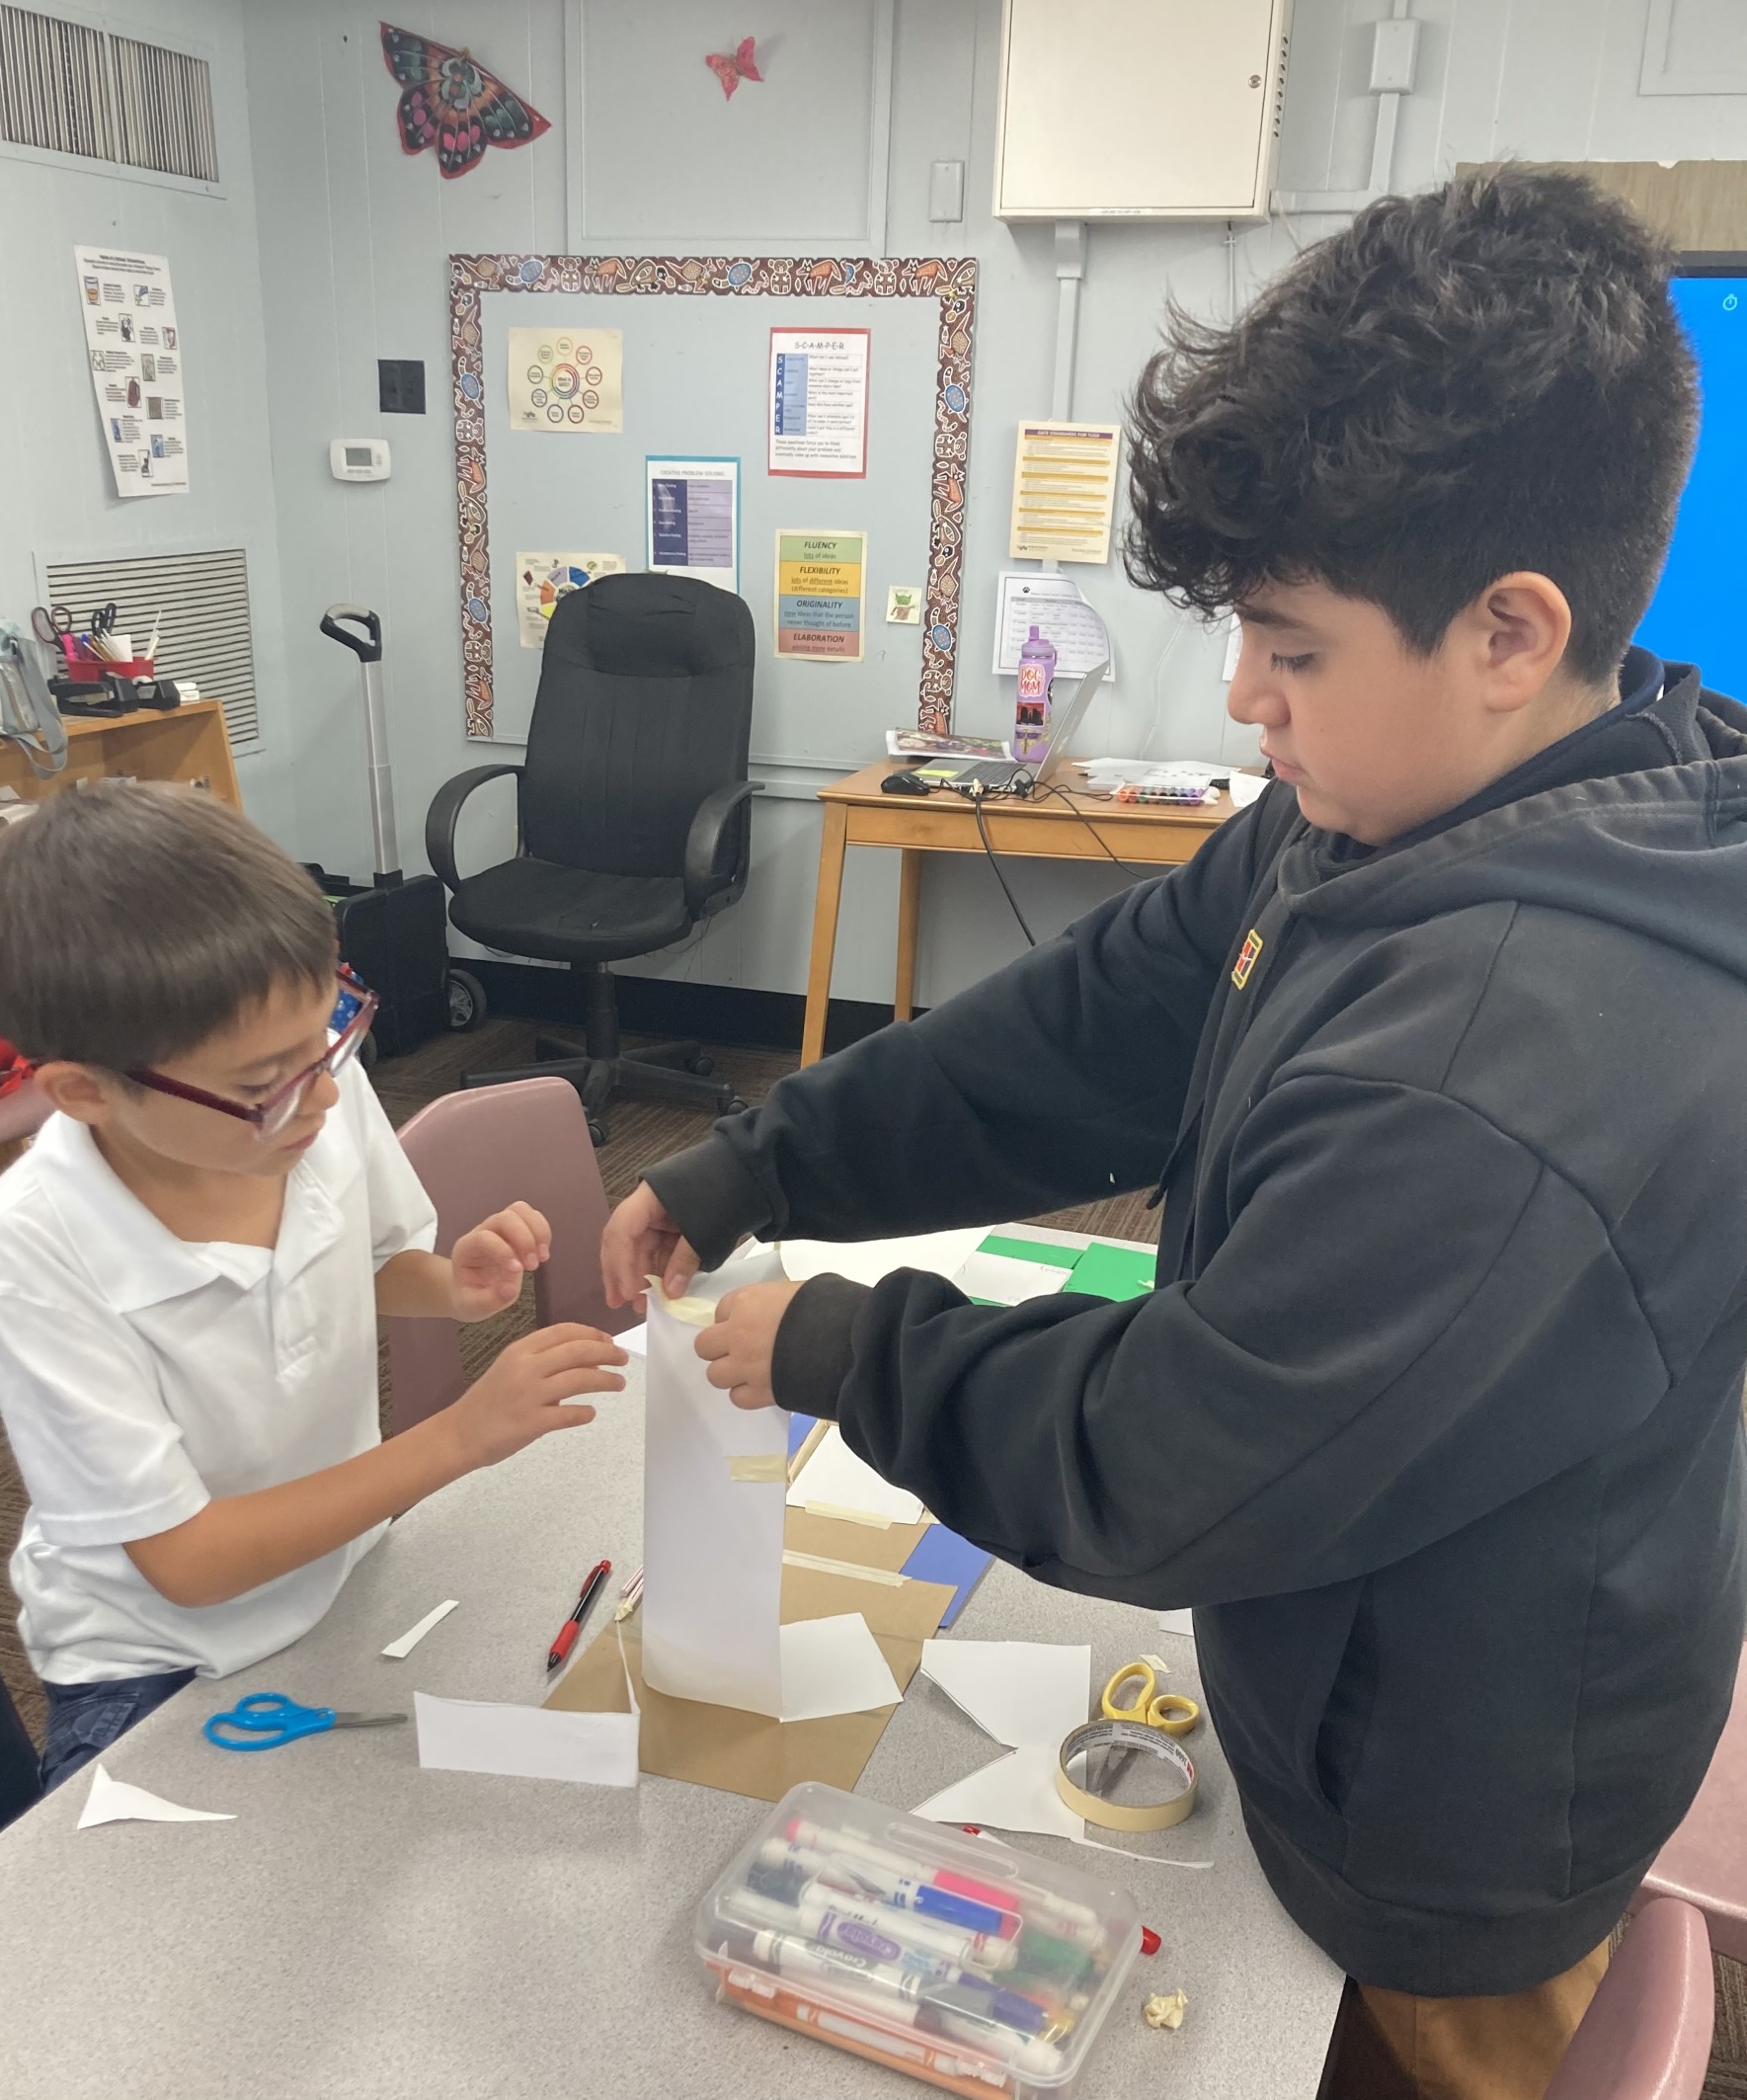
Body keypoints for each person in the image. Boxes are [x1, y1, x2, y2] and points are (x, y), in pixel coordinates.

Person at [601, 166, 1747, 2100]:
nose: (1244, 695)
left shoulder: (1503, 1064)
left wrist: (834, 1343)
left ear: (1506, 629)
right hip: (1357, 1647)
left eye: (1291, 646)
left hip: (1441, 1821)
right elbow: (1088, 1018)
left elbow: (1165, 1460)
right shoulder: (1395, 812)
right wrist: (768, 1159)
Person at [0, 786, 625, 1792]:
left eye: (333, 1033)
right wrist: (457, 1437)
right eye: (267, 1078)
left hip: (344, 1574)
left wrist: (452, 1287)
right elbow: (188, 1560)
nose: (323, 1090)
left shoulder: (306, 1084)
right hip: (162, 1656)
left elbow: (365, 1263)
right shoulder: (38, 1244)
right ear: (87, 1091)